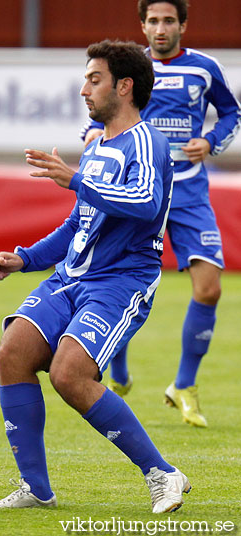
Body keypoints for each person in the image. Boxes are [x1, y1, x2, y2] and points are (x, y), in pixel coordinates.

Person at [0, 40, 190, 514]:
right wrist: (24, 258)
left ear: (125, 86)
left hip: (121, 282)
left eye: (94, 79)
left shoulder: (148, 142)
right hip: (70, 279)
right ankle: (36, 488)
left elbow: (146, 205)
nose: (84, 90)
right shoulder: (96, 146)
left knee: (69, 374)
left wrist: (74, 179)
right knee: (12, 352)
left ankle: (163, 473)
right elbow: (79, 223)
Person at [81, 0, 241, 428]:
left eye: (169, 20)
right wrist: (93, 132)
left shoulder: (204, 68)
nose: (161, 27)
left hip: (188, 188)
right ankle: (117, 373)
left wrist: (210, 142)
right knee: (112, 277)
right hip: (136, 186)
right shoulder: (127, 67)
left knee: (209, 288)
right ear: (142, 25)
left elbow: (231, 112)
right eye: (153, 20)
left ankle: (183, 385)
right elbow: (99, 116)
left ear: (183, 25)